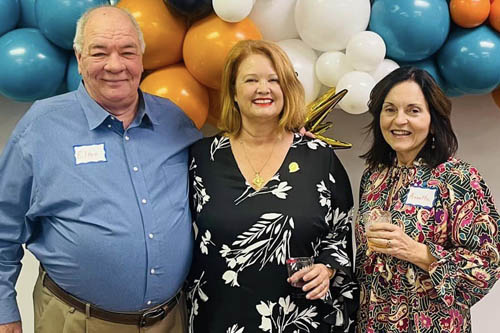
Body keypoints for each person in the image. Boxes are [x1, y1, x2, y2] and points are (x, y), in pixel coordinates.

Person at [0, 6, 201, 333]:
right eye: (99, 52)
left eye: (127, 52)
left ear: (141, 59)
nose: (115, 65)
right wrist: (3, 310)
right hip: (76, 322)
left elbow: (227, 166)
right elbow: (3, 225)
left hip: (169, 321)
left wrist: (288, 136)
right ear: (79, 59)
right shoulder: (41, 127)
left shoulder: (174, 122)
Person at [186, 39, 358, 333]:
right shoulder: (201, 158)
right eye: (251, 80)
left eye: (273, 80)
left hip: (300, 318)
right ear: (233, 92)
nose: (263, 89)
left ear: (286, 89)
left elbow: (341, 230)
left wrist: (328, 268)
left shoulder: (318, 157)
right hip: (219, 318)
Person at [355, 66, 500, 333]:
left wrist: (420, 253)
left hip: (432, 325)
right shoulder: (373, 177)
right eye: (390, 109)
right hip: (373, 323)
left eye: (413, 110)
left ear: (433, 119)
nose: (399, 120)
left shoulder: (459, 178)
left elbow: (487, 264)